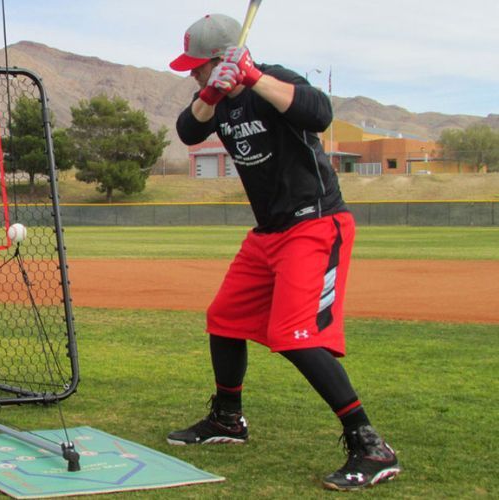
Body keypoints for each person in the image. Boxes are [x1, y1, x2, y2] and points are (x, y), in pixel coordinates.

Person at [165, 13, 401, 491]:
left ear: (220, 58)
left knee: (294, 335)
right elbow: (189, 131)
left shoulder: (275, 80)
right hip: (268, 233)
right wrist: (211, 94)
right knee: (224, 318)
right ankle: (228, 419)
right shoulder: (212, 97)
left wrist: (253, 77)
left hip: (314, 224)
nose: (191, 74)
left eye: (197, 67)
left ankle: (371, 445)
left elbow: (319, 113)